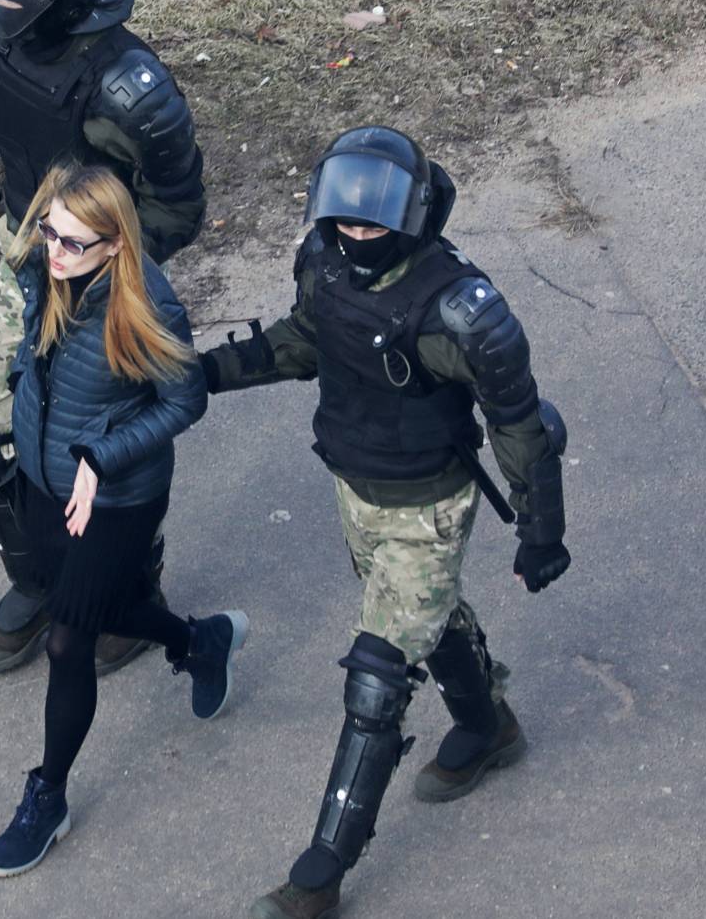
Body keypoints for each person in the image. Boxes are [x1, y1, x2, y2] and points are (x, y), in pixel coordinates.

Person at [198, 127, 571, 919]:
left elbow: (520, 424)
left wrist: (542, 531)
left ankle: (320, 872)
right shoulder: (324, 260)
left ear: (414, 217)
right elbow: (304, 340)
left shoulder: (465, 313)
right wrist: (205, 375)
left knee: (379, 673)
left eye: (374, 223)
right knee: (422, 621)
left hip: (427, 506)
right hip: (354, 488)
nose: (356, 234)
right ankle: (487, 727)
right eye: (345, 219)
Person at [0, 0, 207, 676]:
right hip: (22, 251)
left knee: (103, 447)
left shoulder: (130, 88)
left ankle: (125, 589)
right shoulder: (3, 34)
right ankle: (39, 583)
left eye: (8, 0)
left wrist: (104, 271)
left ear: (53, 5)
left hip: (99, 276)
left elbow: (177, 205)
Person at [0, 164, 245, 878]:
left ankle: (48, 797)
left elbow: (185, 402)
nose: (54, 251)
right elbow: (36, 352)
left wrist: (101, 454)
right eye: (49, 231)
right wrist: (16, 390)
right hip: (46, 478)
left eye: (72, 243)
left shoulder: (146, 302)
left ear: (113, 244)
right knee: (94, 603)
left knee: (68, 642)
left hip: (119, 497)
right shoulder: (48, 268)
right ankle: (200, 639)